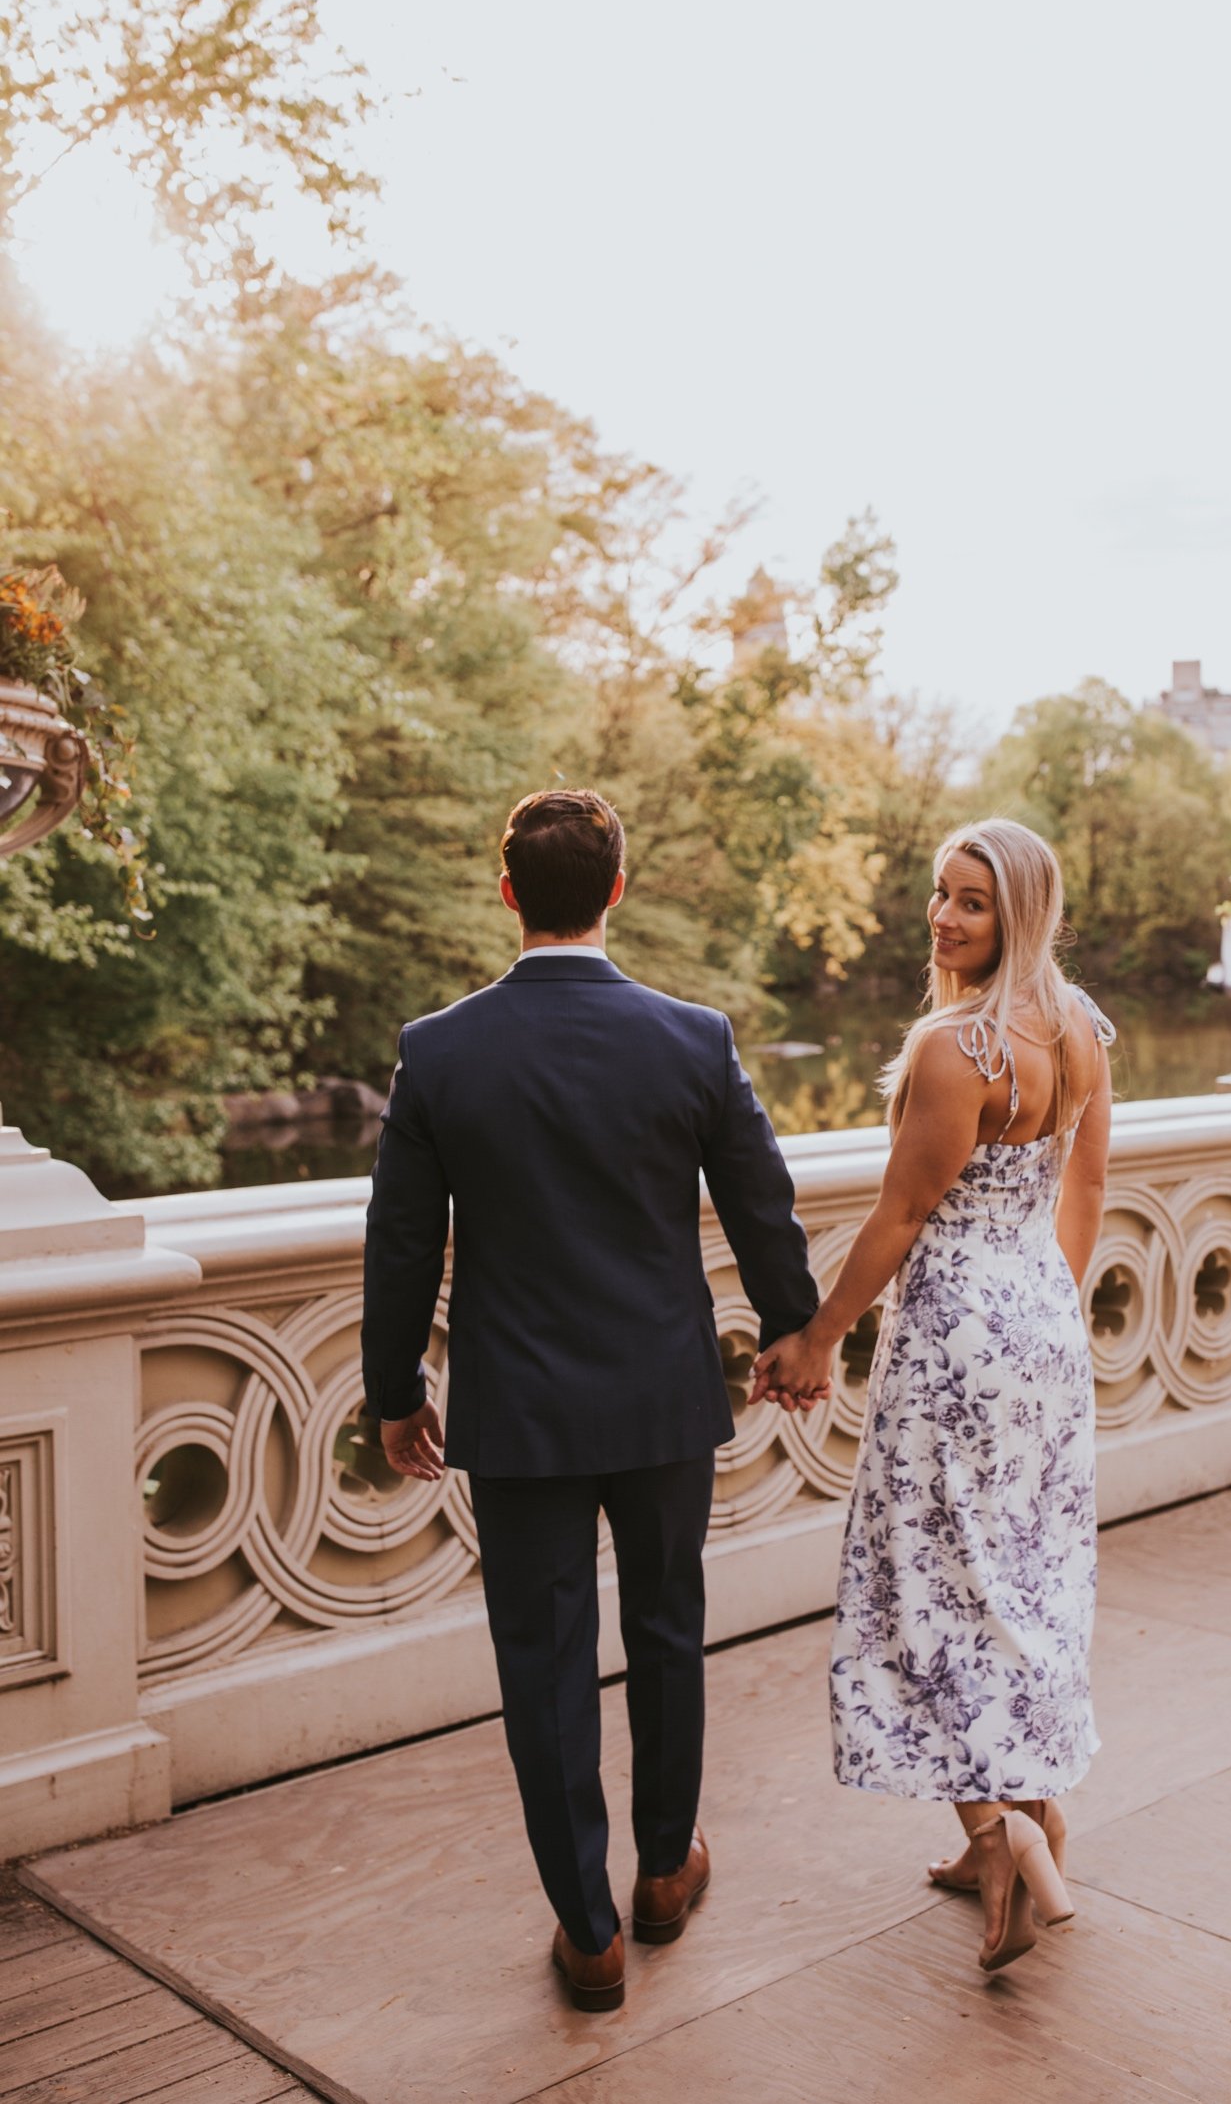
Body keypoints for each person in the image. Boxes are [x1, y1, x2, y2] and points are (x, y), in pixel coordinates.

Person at [360, 788, 819, 2014]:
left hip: (519, 1415)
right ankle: (666, 1870)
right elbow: (762, 1207)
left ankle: (590, 1929)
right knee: (668, 1630)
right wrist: (794, 1330)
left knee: (545, 1662)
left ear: (506, 891)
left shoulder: (438, 1050)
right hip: (664, 1396)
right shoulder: (694, 1037)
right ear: (619, 887)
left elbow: (399, 1245)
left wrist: (396, 1390)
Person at [753, 817, 1113, 1974]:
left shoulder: (960, 1048)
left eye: (970, 902)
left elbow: (901, 1220)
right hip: (1043, 1328)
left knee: (923, 1580)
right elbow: (1087, 1187)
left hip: (957, 1331)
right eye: (940, 895)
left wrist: (816, 1338)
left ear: (1019, 915)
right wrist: (1045, 1304)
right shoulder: (1082, 1030)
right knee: (1023, 1576)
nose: (943, 917)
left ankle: (1000, 1830)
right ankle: (1032, 1818)